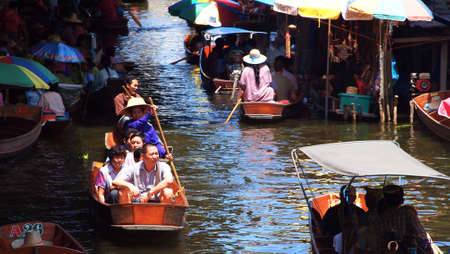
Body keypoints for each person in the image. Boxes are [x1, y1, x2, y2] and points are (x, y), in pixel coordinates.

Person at [375, 185, 431, 254]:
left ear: (385, 200)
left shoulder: (380, 218)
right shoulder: (408, 212)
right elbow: (421, 236)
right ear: (402, 200)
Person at [320, 185, 368, 254]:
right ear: (354, 198)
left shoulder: (331, 211)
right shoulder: (360, 212)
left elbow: (322, 229)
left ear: (340, 196)